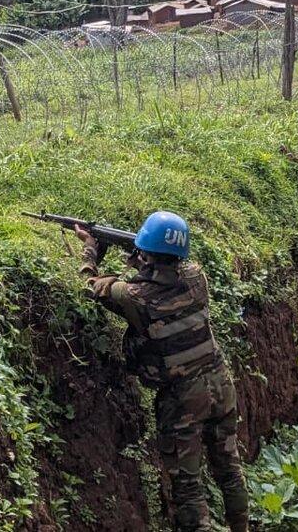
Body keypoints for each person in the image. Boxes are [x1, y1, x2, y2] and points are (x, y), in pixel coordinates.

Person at [74, 212, 248, 532]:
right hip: (221, 383)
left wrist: (90, 250)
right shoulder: (197, 276)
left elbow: (92, 285)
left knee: (188, 487)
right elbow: (164, 275)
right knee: (230, 470)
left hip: (184, 399)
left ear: (146, 251)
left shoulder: (136, 297)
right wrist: (142, 258)